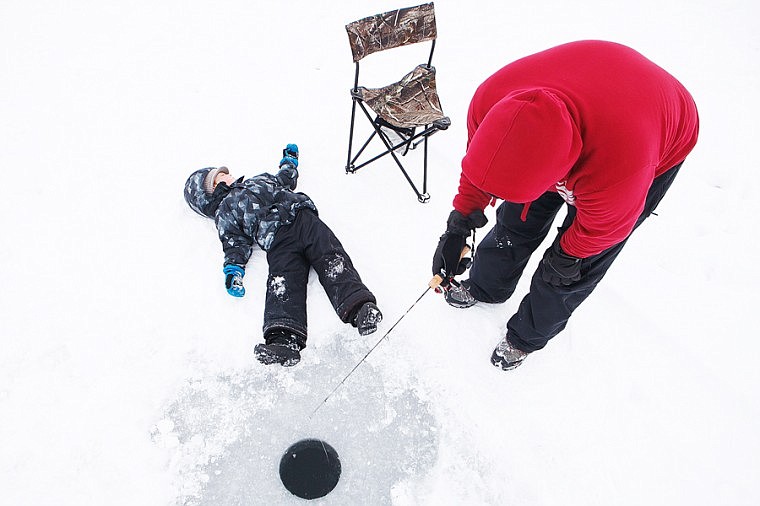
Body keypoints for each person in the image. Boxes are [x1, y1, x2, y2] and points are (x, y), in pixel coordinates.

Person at [431, 40, 699, 371]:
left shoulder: (619, 168)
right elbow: (484, 167)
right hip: (594, 85)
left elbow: (602, 231)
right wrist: (461, 220)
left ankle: (526, 337)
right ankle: (487, 286)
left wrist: (569, 255)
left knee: (568, 274)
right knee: (515, 222)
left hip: (658, 123)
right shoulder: (491, 101)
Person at [184, 144, 382, 367]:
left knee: (331, 257)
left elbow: (284, 179)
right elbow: (234, 244)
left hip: (303, 219)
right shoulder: (225, 212)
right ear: (211, 192)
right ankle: (285, 341)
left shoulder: (258, 180)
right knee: (283, 279)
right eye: (222, 176)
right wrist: (233, 270)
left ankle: (359, 308)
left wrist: (289, 162)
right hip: (278, 240)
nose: (229, 175)